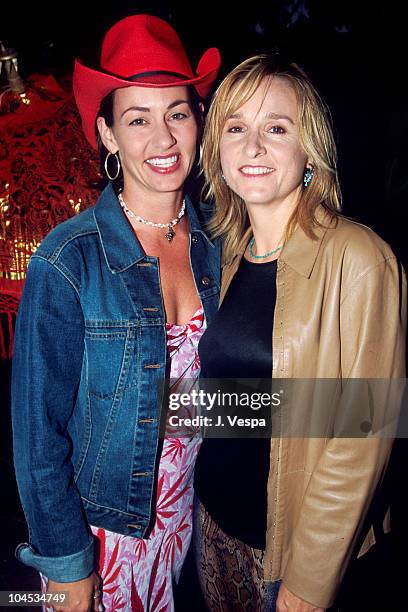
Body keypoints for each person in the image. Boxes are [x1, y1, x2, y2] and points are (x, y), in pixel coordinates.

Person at [11, 14, 221, 612]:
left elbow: (206, 399)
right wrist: (67, 563)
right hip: (104, 540)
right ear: (106, 134)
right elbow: (36, 437)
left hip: (191, 533)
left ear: (198, 122)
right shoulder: (67, 260)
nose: (164, 138)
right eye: (138, 119)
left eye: (177, 113)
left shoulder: (220, 243)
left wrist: (359, 428)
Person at [193, 54, 406, 611]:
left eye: (276, 128)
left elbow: (365, 433)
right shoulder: (227, 256)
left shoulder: (359, 257)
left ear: (308, 150)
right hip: (214, 529)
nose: (253, 146)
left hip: (291, 560)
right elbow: (252, 398)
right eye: (236, 128)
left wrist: (308, 585)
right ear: (217, 148)